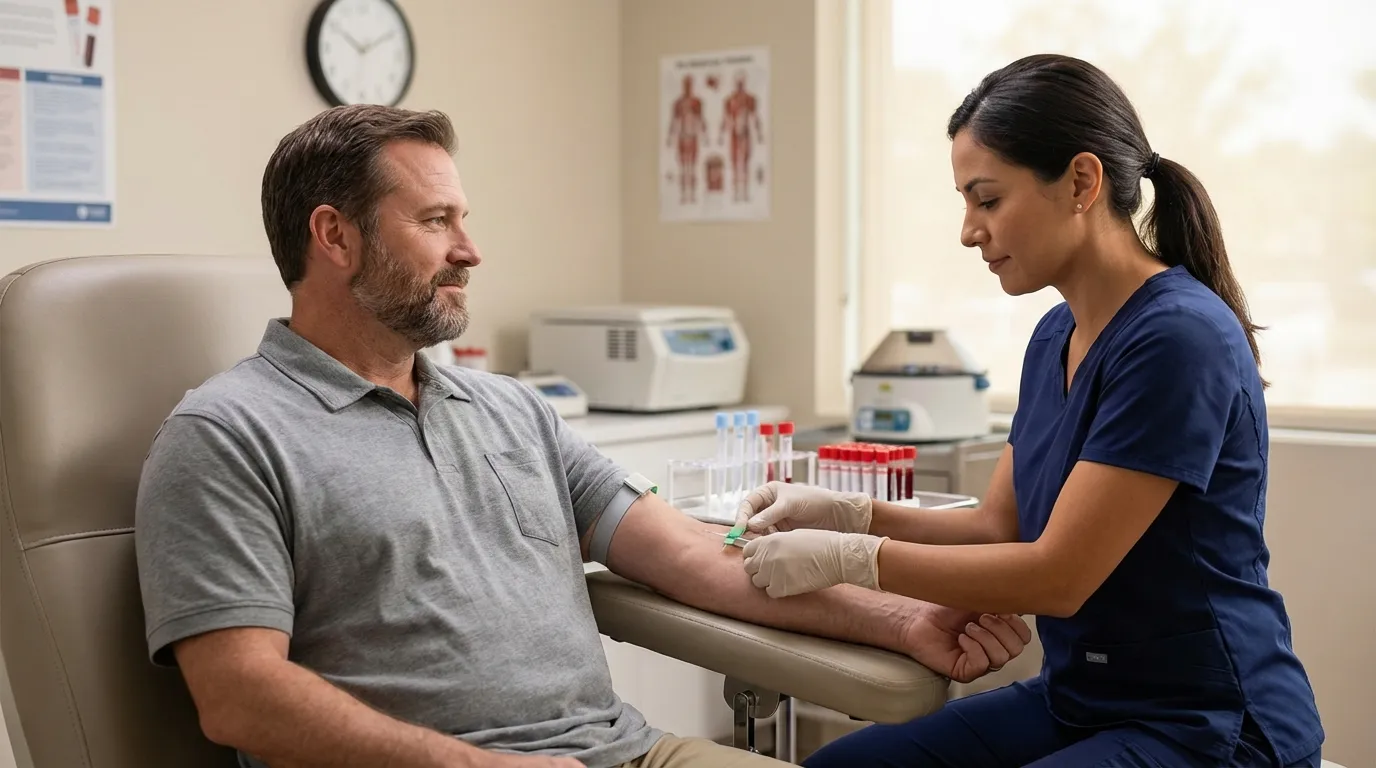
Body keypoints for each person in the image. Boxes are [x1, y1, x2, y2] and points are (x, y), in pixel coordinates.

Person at [133, 104, 1031, 768]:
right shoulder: (227, 436)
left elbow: (696, 558)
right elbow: (238, 697)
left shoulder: (509, 411)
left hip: (622, 754)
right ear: (334, 236)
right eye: (436, 221)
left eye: (463, 219)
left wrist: (905, 620)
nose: (470, 250)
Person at [735, 54, 1325, 768]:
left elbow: (1056, 578)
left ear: (1081, 182)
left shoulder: (1177, 337)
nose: (968, 230)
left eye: (987, 200)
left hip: (1208, 723)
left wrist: (849, 560)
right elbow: (998, 527)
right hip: (1082, 700)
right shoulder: (1055, 336)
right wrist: (845, 512)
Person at [666, 75, 706, 204]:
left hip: (693, 137)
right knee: (683, 167)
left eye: (689, 84)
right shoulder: (678, 103)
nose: (688, 87)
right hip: (682, 137)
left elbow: (701, 119)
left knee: (692, 167)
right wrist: (670, 136)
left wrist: (705, 135)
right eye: (686, 84)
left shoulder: (697, 102)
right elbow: (674, 121)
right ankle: (683, 195)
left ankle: (693, 194)